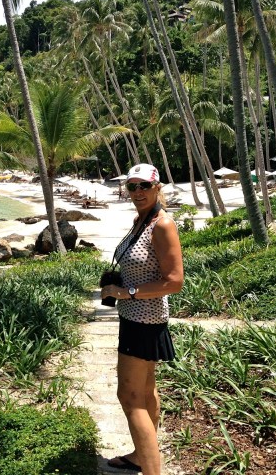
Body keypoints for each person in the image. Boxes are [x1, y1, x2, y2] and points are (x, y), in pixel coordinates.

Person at [100, 163, 183, 474]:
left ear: (157, 187)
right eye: (132, 186)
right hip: (136, 317)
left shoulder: (162, 224)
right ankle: (140, 457)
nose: (137, 192)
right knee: (146, 391)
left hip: (143, 321)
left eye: (144, 186)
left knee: (129, 396)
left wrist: (125, 292)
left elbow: (174, 282)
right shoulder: (141, 220)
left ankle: (152, 471)